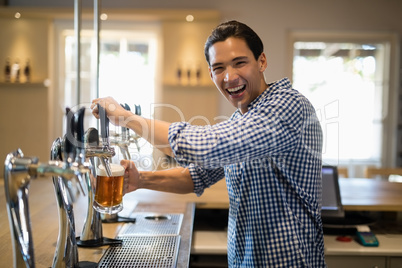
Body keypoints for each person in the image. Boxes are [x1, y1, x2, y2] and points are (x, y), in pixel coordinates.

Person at [91, 20, 325, 267]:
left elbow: (205, 147)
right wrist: (142, 181)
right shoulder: (242, 119)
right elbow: (197, 176)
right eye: (219, 68)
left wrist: (128, 119)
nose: (230, 77)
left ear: (262, 62)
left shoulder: (287, 106)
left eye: (240, 63)